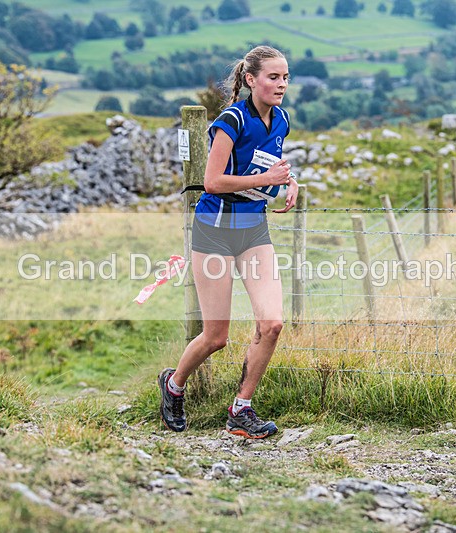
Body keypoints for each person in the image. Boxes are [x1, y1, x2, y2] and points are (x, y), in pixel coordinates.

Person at [158, 45, 298, 439]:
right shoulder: (231, 119)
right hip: (214, 230)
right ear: (251, 79)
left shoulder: (282, 120)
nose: (281, 84)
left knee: (271, 324)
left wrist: (289, 181)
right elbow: (213, 181)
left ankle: (241, 409)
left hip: (253, 228)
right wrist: (264, 182)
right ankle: (174, 384)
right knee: (216, 336)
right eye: (273, 76)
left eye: (285, 77)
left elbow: (268, 165)